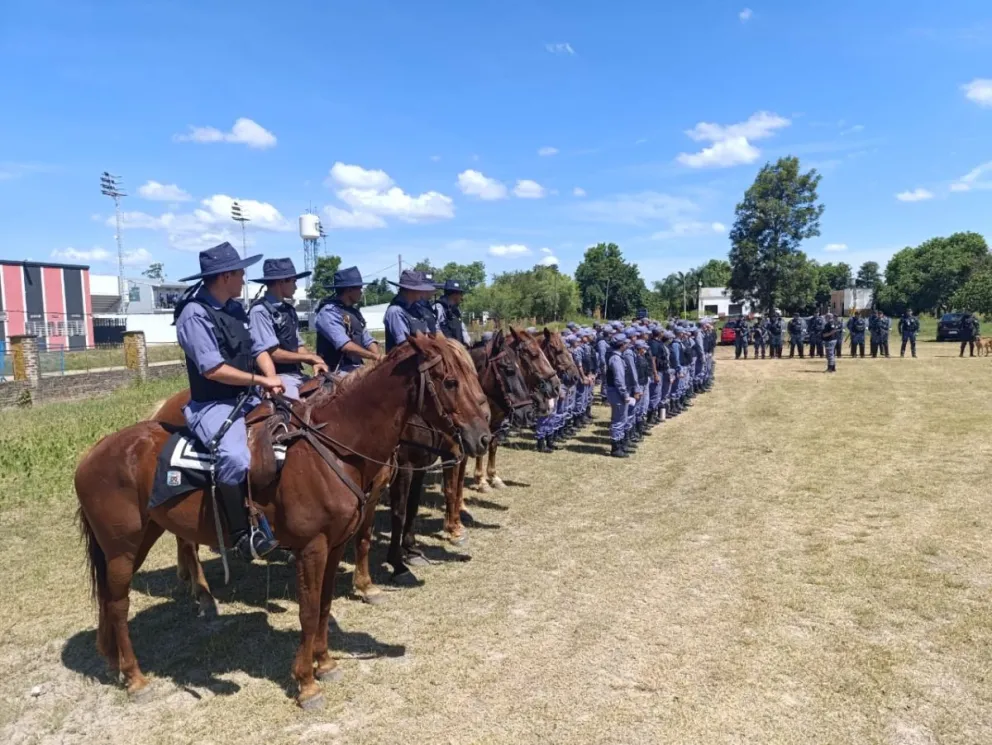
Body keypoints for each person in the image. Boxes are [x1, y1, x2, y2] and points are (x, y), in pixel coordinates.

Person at [175, 242, 283, 561]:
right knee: (235, 457)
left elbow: (258, 348)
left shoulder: (235, 309)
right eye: (240, 273)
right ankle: (239, 535)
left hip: (248, 396)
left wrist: (271, 377)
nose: (244, 279)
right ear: (225, 277)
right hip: (213, 404)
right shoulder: (194, 315)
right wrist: (260, 381)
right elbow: (212, 369)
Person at [248, 258, 328, 400]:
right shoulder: (260, 311)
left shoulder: (289, 310)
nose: (296, 286)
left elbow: (298, 345)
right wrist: (309, 357)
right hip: (276, 378)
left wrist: (316, 361)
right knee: (294, 408)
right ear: (281, 282)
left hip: (296, 375)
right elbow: (272, 353)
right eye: (293, 281)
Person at [314, 266, 381, 375]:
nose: (361, 292)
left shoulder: (355, 313)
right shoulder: (328, 312)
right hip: (335, 371)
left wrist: (379, 358)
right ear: (349, 290)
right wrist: (374, 356)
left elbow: (367, 340)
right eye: (359, 288)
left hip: (356, 368)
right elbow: (345, 345)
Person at [383, 269, 439, 352]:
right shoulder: (395, 312)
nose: (422, 292)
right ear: (409, 290)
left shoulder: (418, 309)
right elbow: (404, 344)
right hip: (404, 359)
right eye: (419, 290)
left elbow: (428, 335)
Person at [604, 334, 632, 457]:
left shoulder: (617, 357)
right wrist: (625, 394)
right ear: (621, 345)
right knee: (618, 420)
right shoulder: (616, 359)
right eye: (625, 343)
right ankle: (615, 448)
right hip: (616, 392)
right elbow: (619, 379)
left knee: (622, 419)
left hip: (616, 391)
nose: (627, 345)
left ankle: (620, 444)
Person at [432, 279, 472, 346]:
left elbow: (462, 327)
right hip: (446, 347)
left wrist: (467, 340)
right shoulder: (439, 307)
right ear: (454, 294)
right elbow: (435, 329)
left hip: (458, 347)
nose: (461, 297)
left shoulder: (456, 310)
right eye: (460, 294)